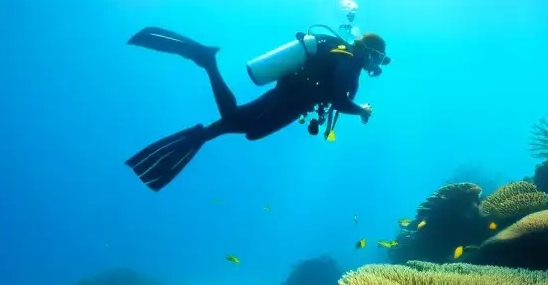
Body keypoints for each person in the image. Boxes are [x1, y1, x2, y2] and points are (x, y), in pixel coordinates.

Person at [124, 25, 389, 191]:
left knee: (231, 123)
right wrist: (362, 110)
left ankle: (201, 133)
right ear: (369, 52)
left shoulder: (339, 52)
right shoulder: (351, 62)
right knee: (246, 128)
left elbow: (332, 93)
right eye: (378, 58)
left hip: (286, 95)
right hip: (289, 101)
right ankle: (207, 61)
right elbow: (338, 101)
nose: (376, 65)